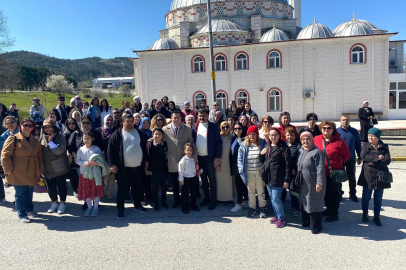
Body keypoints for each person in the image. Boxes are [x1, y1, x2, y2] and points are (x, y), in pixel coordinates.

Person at [1, 118, 44, 223]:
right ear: (21, 126)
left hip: (32, 169)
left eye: (30, 126)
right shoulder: (13, 138)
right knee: (20, 193)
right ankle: (22, 213)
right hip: (18, 170)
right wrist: (8, 169)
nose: (27, 127)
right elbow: (5, 155)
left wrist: (40, 169)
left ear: (33, 128)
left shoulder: (35, 140)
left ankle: (30, 209)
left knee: (29, 192)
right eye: (25, 125)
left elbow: (39, 155)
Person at [107, 114, 148, 219]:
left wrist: (146, 160)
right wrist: (112, 164)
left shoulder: (139, 132)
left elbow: (145, 146)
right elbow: (110, 150)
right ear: (123, 122)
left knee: (137, 188)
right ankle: (120, 209)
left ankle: (137, 205)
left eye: (132, 121)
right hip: (123, 168)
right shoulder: (117, 134)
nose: (130, 123)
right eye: (128, 121)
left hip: (138, 167)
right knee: (122, 190)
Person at [314, 121, 351, 222]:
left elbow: (347, 156)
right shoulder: (316, 139)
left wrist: (336, 163)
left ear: (333, 129)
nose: (326, 130)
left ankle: (334, 213)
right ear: (321, 129)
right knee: (324, 193)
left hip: (333, 174)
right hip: (320, 173)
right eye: (324, 128)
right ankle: (328, 209)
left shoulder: (339, 142)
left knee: (334, 194)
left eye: (329, 128)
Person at [158, 110, 196, 208]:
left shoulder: (187, 129)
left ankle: (186, 200)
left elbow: (191, 142)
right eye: (174, 118)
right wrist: (149, 141)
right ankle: (176, 200)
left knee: (185, 183)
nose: (176, 120)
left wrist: (194, 154)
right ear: (171, 118)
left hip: (185, 160)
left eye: (178, 117)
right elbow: (158, 138)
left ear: (181, 118)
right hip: (172, 160)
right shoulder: (165, 129)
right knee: (175, 182)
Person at [357, 128, 391, 226]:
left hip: (380, 177)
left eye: (373, 136)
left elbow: (387, 161)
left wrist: (372, 162)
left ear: (378, 137)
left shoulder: (384, 147)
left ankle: (376, 216)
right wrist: (377, 158)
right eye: (369, 135)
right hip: (368, 176)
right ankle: (365, 214)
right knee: (366, 197)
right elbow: (364, 157)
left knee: (378, 198)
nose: (370, 138)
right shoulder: (365, 145)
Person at [260, 128, 291, 228]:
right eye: (271, 135)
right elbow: (263, 161)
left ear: (279, 136)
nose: (273, 137)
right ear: (269, 136)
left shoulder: (284, 148)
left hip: (279, 177)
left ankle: (282, 218)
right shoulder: (268, 147)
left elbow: (288, 165)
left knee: (276, 198)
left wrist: (287, 180)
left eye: (275, 135)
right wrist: (261, 154)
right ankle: (277, 216)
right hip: (268, 177)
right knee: (272, 198)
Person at [67, 115, 103, 199]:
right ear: (81, 123)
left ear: (91, 123)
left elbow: (101, 146)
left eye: (88, 123)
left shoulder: (96, 133)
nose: (85, 124)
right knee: (84, 183)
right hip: (81, 163)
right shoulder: (76, 133)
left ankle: (95, 200)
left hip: (94, 164)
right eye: (83, 122)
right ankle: (87, 201)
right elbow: (70, 145)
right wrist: (73, 154)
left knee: (93, 183)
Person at [297, 132, 326, 234]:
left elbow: (320, 168)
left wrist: (320, 182)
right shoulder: (301, 150)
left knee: (316, 202)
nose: (305, 141)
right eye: (303, 139)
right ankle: (306, 221)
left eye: (307, 139)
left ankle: (317, 225)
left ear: (311, 139)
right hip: (303, 182)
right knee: (305, 201)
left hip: (314, 182)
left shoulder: (317, 152)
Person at [40, 119, 70, 215]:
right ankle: (54, 202)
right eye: (45, 127)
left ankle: (62, 203)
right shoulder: (42, 137)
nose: (47, 129)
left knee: (61, 186)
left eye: (49, 126)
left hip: (59, 167)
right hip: (47, 167)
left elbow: (59, 151)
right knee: (50, 187)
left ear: (54, 127)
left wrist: (50, 142)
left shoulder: (61, 137)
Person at [238, 125, 267, 218]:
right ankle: (252, 208)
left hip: (259, 172)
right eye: (250, 134)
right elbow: (239, 159)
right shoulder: (243, 145)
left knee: (260, 191)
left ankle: (262, 208)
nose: (251, 136)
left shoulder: (262, 144)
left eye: (254, 134)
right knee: (250, 191)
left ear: (257, 135)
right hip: (248, 172)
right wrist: (240, 169)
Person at [195, 108, 222, 210]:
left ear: (207, 115)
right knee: (203, 180)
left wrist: (217, 158)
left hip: (210, 158)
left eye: (204, 116)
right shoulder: (195, 126)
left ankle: (213, 200)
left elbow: (219, 143)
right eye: (200, 116)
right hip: (199, 159)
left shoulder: (214, 126)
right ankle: (206, 198)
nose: (201, 117)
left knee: (212, 180)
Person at [76, 131, 105, 217]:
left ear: (92, 139)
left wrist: (96, 163)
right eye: (84, 138)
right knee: (86, 191)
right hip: (84, 173)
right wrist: (84, 163)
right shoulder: (80, 149)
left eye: (88, 138)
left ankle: (95, 208)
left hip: (95, 174)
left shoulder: (96, 149)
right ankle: (89, 207)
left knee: (96, 190)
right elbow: (77, 160)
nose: (86, 140)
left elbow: (101, 160)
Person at [337, 115, 362, 202]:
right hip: (339, 158)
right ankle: (339, 193)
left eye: (347, 120)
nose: (345, 121)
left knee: (352, 177)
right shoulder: (336, 131)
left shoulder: (354, 132)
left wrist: (360, 156)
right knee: (339, 176)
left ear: (350, 120)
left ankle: (352, 194)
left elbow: (358, 145)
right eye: (343, 120)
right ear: (340, 121)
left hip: (351, 158)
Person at [146, 128, 168, 211]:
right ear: (153, 135)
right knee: (154, 187)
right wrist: (147, 169)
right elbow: (147, 157)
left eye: (159, 134)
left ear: (162, 136)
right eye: (156, 134)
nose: (157, 136)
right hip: (153, 169)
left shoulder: (165, 144)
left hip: (163, 168)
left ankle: (163, 202)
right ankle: (156, 203)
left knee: (163, 186)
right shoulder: (149, 145)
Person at [96, 115, 116, 200]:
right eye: (108, 120)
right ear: (104, 120)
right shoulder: (98, 130)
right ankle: (101, 192)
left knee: (112, 177)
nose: (109, 122)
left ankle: (110, 193)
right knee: (104, 176)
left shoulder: (116, 130)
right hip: (102, 156)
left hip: (113, 156)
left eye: (111, 120)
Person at [0, 116, 19, 205]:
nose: (10, 124)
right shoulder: (4, 135)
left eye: (12, 122)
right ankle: (18, 198)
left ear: (16, 122)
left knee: (20, 181)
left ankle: (20, 198)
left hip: (20, 160)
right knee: (13, 180)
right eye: (7, 123)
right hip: (9, 160)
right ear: (5, 125)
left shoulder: (21, 132)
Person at [229, 122, 248, 212]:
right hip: (234, 165)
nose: (237, 130)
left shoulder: (245, 139)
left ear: (242, 129)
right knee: (240, 184)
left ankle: (239, 203)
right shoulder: (233, 139)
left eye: (239, 128)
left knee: (240, 185)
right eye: (235, 129)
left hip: (242, 166)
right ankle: (246, 201)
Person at [216, 121, 235, 205]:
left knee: (229, 180)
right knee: (221, 181)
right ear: (220, 129)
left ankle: (229, 198)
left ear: (230, 127)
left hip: (230, 163)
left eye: (227, 127)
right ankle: (220, 199)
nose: (225, 129)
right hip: (221, 163)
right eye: (223, 127)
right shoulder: (218, 138)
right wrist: (217, 163)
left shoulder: (233, 137)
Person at [178, 143, 200, 214]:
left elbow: (197, 167)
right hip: (185, 179)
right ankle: (185, 207)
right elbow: (180, 170)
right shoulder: (183, 161)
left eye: (190, 150)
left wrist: (200, 171)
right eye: (187, 150)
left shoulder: (194, 159)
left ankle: (193, 205)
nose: (189, 152)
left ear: (192, 151)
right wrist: (181, 179)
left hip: (193, 178)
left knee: (193, 192)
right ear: (184, 151)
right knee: (185, 194)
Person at [285, 126, 302, 217]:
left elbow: (299, 160)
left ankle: (298, 208)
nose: (290, 137)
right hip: (286, 172)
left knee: (294, 190)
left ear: (295, 136)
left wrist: (295, 169)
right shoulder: (285, 144)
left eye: (292, 135)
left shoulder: (298, 146)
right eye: (288, 135)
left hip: (294, 172)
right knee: (290, 190)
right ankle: (292, 205)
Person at [63, 118, 80, 197]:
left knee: (80, 174)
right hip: (70, 155)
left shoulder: (79, 132)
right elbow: (65, 146)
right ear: (67, 125)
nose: (71, 125)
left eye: (73, 123)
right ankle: (75, 189)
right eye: (69, 123)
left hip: (80, 155)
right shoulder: (66, 134)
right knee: (73, 175)